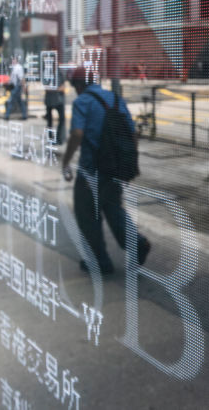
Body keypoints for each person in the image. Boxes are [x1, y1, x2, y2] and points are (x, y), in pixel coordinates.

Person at [61, 66, 150, 274]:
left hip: (91, 170)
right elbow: (132, 134)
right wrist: (127, 164)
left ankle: (100, 261)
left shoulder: (82, 101)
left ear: (80, 85)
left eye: (75, 86)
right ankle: (136, 243)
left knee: (87, 215)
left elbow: (77, 133)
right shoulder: (115, 99)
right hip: (115, 169)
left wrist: (66, 161)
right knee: (113, 209)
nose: (75, 90)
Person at [4, 55, 28, 120]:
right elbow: (12, 79)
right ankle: (24, 115)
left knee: (11, 101)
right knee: (20, 102)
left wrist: (24, 87)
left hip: (17, 87)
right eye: (12, 60)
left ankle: (7, 116)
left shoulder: (18, 68)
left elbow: (21, 78)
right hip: (15, 86)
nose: (12, 61)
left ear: (17, 61)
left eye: (14, 60)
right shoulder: (14, 68)